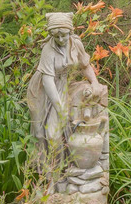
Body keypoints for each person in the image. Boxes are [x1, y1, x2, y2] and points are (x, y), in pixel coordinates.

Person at [26, 12, 99, 176]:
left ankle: (63, 171)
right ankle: (51, 176)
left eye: (64, 35)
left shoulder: (76, 44)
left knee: (60, 130)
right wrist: (59, 108)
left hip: (62, 84)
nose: (60, 40)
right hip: (43, 91)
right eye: (56, 36)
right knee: (45, 133)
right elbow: (48, 81)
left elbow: (85, 65)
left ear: (70, 32)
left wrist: (94, 82)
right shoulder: (48, 49)